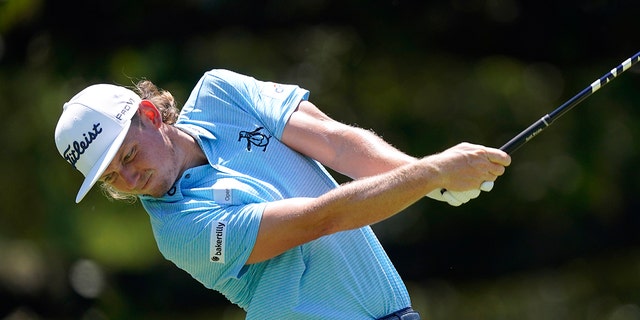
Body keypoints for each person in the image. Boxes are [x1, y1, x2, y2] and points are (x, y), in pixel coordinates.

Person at [54, 69, 511, 319]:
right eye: (111, 178)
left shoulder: (222, 94)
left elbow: (332, 140)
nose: (130, 180)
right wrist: (429, 175)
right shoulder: (179, 229)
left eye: (129, 156)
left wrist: (429, 178)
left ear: (151, 115)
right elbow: (319, 218)